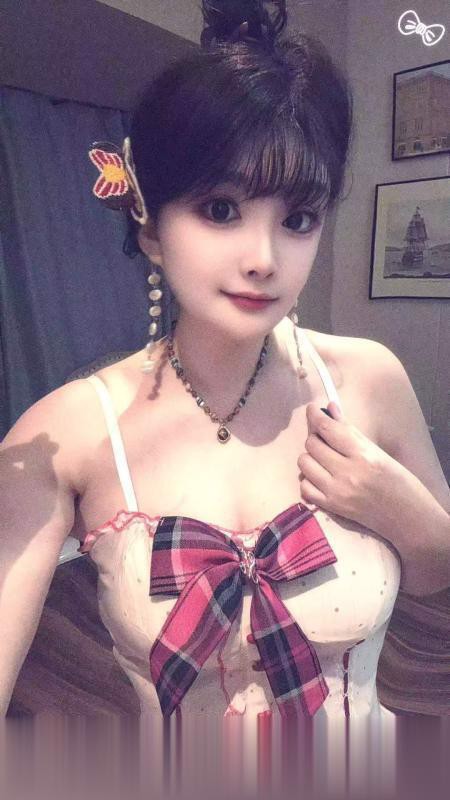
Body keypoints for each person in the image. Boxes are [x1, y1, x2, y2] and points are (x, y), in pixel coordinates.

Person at [1, 0, 449, 729]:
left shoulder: (370, 381)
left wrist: (407, 515)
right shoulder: (74, 432)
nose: (264, 259)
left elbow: (436, 578)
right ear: (149, 224)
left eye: (297, 219)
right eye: (219, 209)